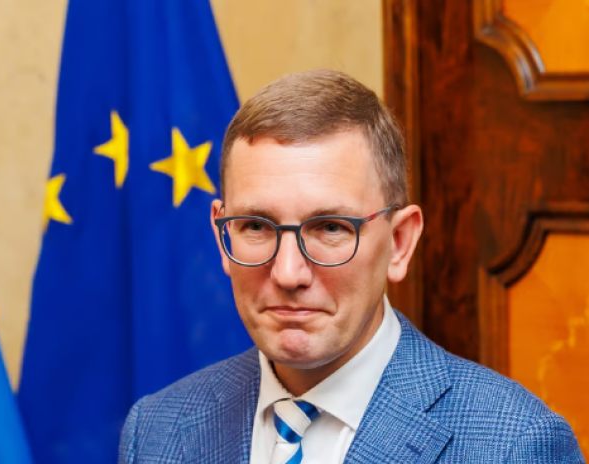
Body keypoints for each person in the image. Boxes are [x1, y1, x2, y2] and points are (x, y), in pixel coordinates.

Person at [118, 69, 583, 463]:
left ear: (399, 242)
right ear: (222, 235)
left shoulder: (514, 445)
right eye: (256, 226)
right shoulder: (157, 430)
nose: (288, 274)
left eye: (330, 228)